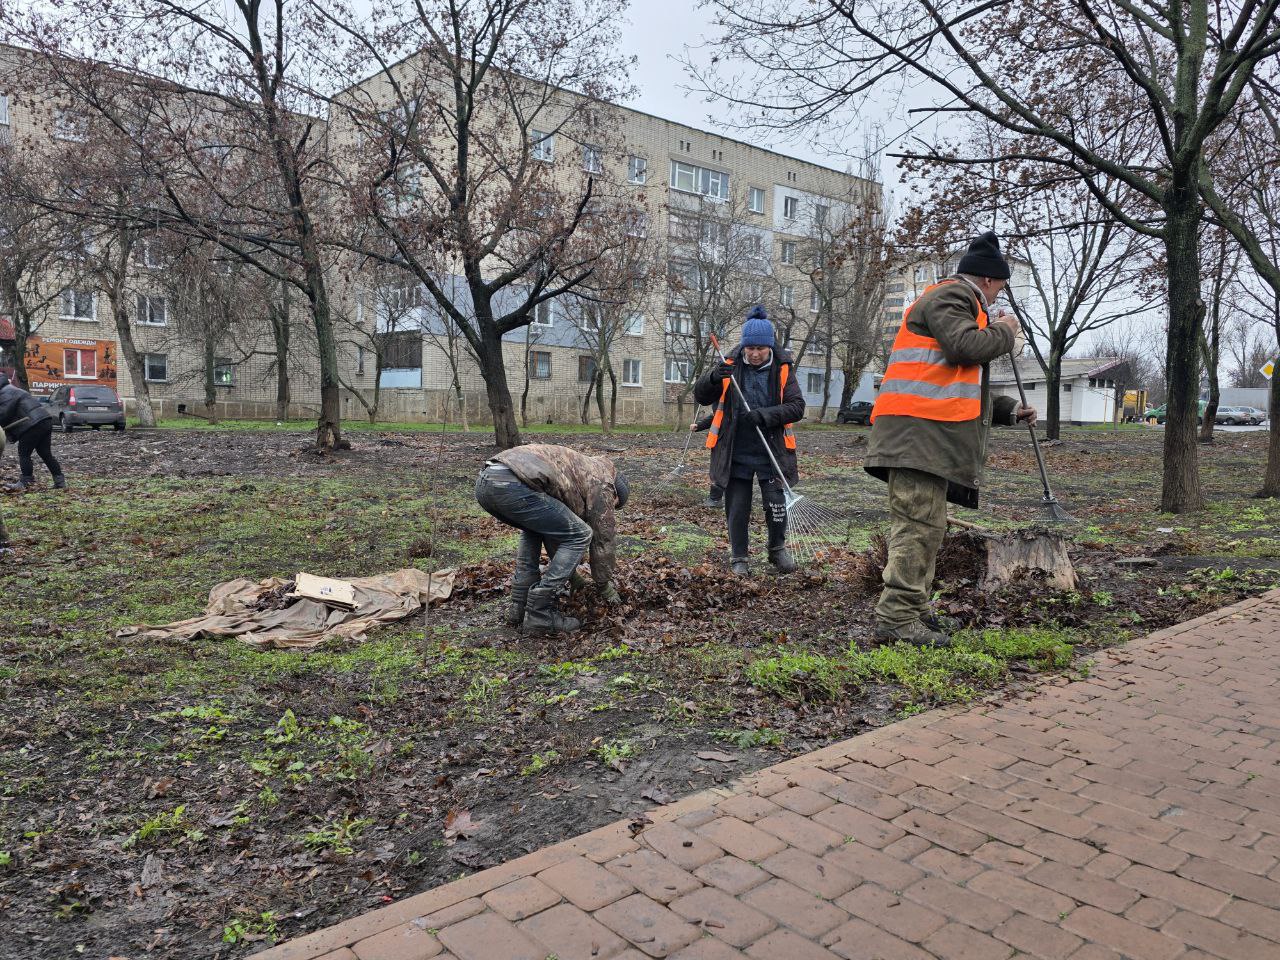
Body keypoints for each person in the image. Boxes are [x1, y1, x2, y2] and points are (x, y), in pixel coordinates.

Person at [865, 231, 1037, 647]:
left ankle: (916, 612)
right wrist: (1007, 332)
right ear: (992, 281)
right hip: (917, 439)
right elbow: (964, 349)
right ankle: (896, 618)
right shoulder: (952, 297)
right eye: (1000, 290)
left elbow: (951, 382)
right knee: (918, 528)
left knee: (930, 527)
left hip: (925, 437)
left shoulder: (958, 305)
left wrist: (1008, 410)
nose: (998, 301)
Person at [693, 306, 805, 576]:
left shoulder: (783, 369)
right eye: (749, 348)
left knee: (776, 505)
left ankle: (777, 550)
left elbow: (797, 407)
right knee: (737, 507)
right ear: (743, 346)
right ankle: (739, 557)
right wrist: (711, 378)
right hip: (736, 450)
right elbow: (701, 397)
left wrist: (765, 416)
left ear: (769, 347)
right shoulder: (728, 365)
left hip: (772, 452)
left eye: (760, 349)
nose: (754, 354)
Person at [475, 443, 627, 635]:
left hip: (487, 480)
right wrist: (604, 585)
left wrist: (575, 579)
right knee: (581, 534)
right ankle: (540, 613)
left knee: (535, 529)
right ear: (615, 495)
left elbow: (557, 535)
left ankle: (519, 607)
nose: (611, 509)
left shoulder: (581, 470)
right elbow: (603, 539)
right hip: (512, 484)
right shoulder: (603, 483)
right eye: (615, 506)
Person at [0, 374, 65, 491]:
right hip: (44, 420)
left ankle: (26, 481)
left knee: (23, 453)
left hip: (32, 423)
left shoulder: (5, 392)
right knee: (45, 453)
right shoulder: (10, 389)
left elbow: (3, 414)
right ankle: (59, 481)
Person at [689, 412, 724, 508]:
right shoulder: (721, 402)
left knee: (719, 469)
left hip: (728, 440)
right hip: (721, 440)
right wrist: (699, 425)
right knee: (717, 468)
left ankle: (716, 499)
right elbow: (716, 415)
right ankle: (715, 498)